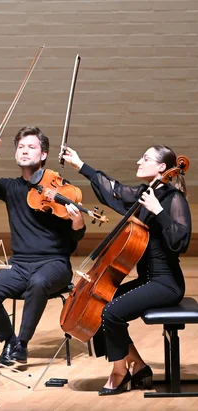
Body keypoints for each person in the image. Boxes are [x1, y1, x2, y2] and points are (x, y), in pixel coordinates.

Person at [61, 145, 191, 395]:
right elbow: (113, 190)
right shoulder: (145, 193)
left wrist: (159, 211)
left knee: (110, 312)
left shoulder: (174, 199)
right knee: (98, 307)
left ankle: (120, 372)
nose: (139, 161)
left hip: (167, 284)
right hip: (148, 280)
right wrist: (80, 165)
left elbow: (181, 243)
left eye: (145, 158)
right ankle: (138, 366)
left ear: (162, 167)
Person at [0, 125, 86, 365]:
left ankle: (22, 344)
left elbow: (74, 240)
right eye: (21, 147)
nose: (24, 151)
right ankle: (10, 341)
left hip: (54, 264)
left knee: (39, 282)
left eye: (31, 147)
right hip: (19, 265)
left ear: (43, 154)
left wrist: (78, 223)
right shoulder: (10, 188)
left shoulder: (60, 191)